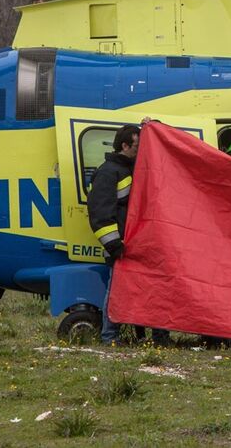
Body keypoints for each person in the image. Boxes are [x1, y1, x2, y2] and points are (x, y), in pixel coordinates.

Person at [87, 124, 169, 346]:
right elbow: (100, 214)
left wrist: (153, 128)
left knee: (153, 290)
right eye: (137, 145)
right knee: (118, 292)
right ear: (125, 146)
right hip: (123, 245)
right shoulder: (107, 173)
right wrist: (114, 245)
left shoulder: (133, 168)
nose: (140, 149)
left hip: (142, 243)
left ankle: (159, 337)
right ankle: (109, 337)